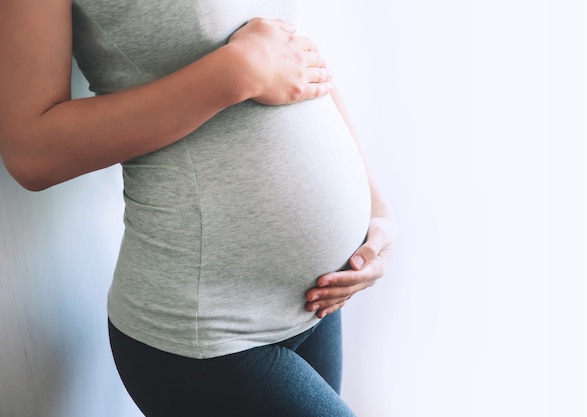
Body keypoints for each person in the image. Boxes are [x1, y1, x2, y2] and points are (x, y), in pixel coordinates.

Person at [0, 0, 395, 416]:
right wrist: (233, 73)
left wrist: (374, 207)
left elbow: (293, 51)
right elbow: (32, 153)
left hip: (317, 303)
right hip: (206, 329)